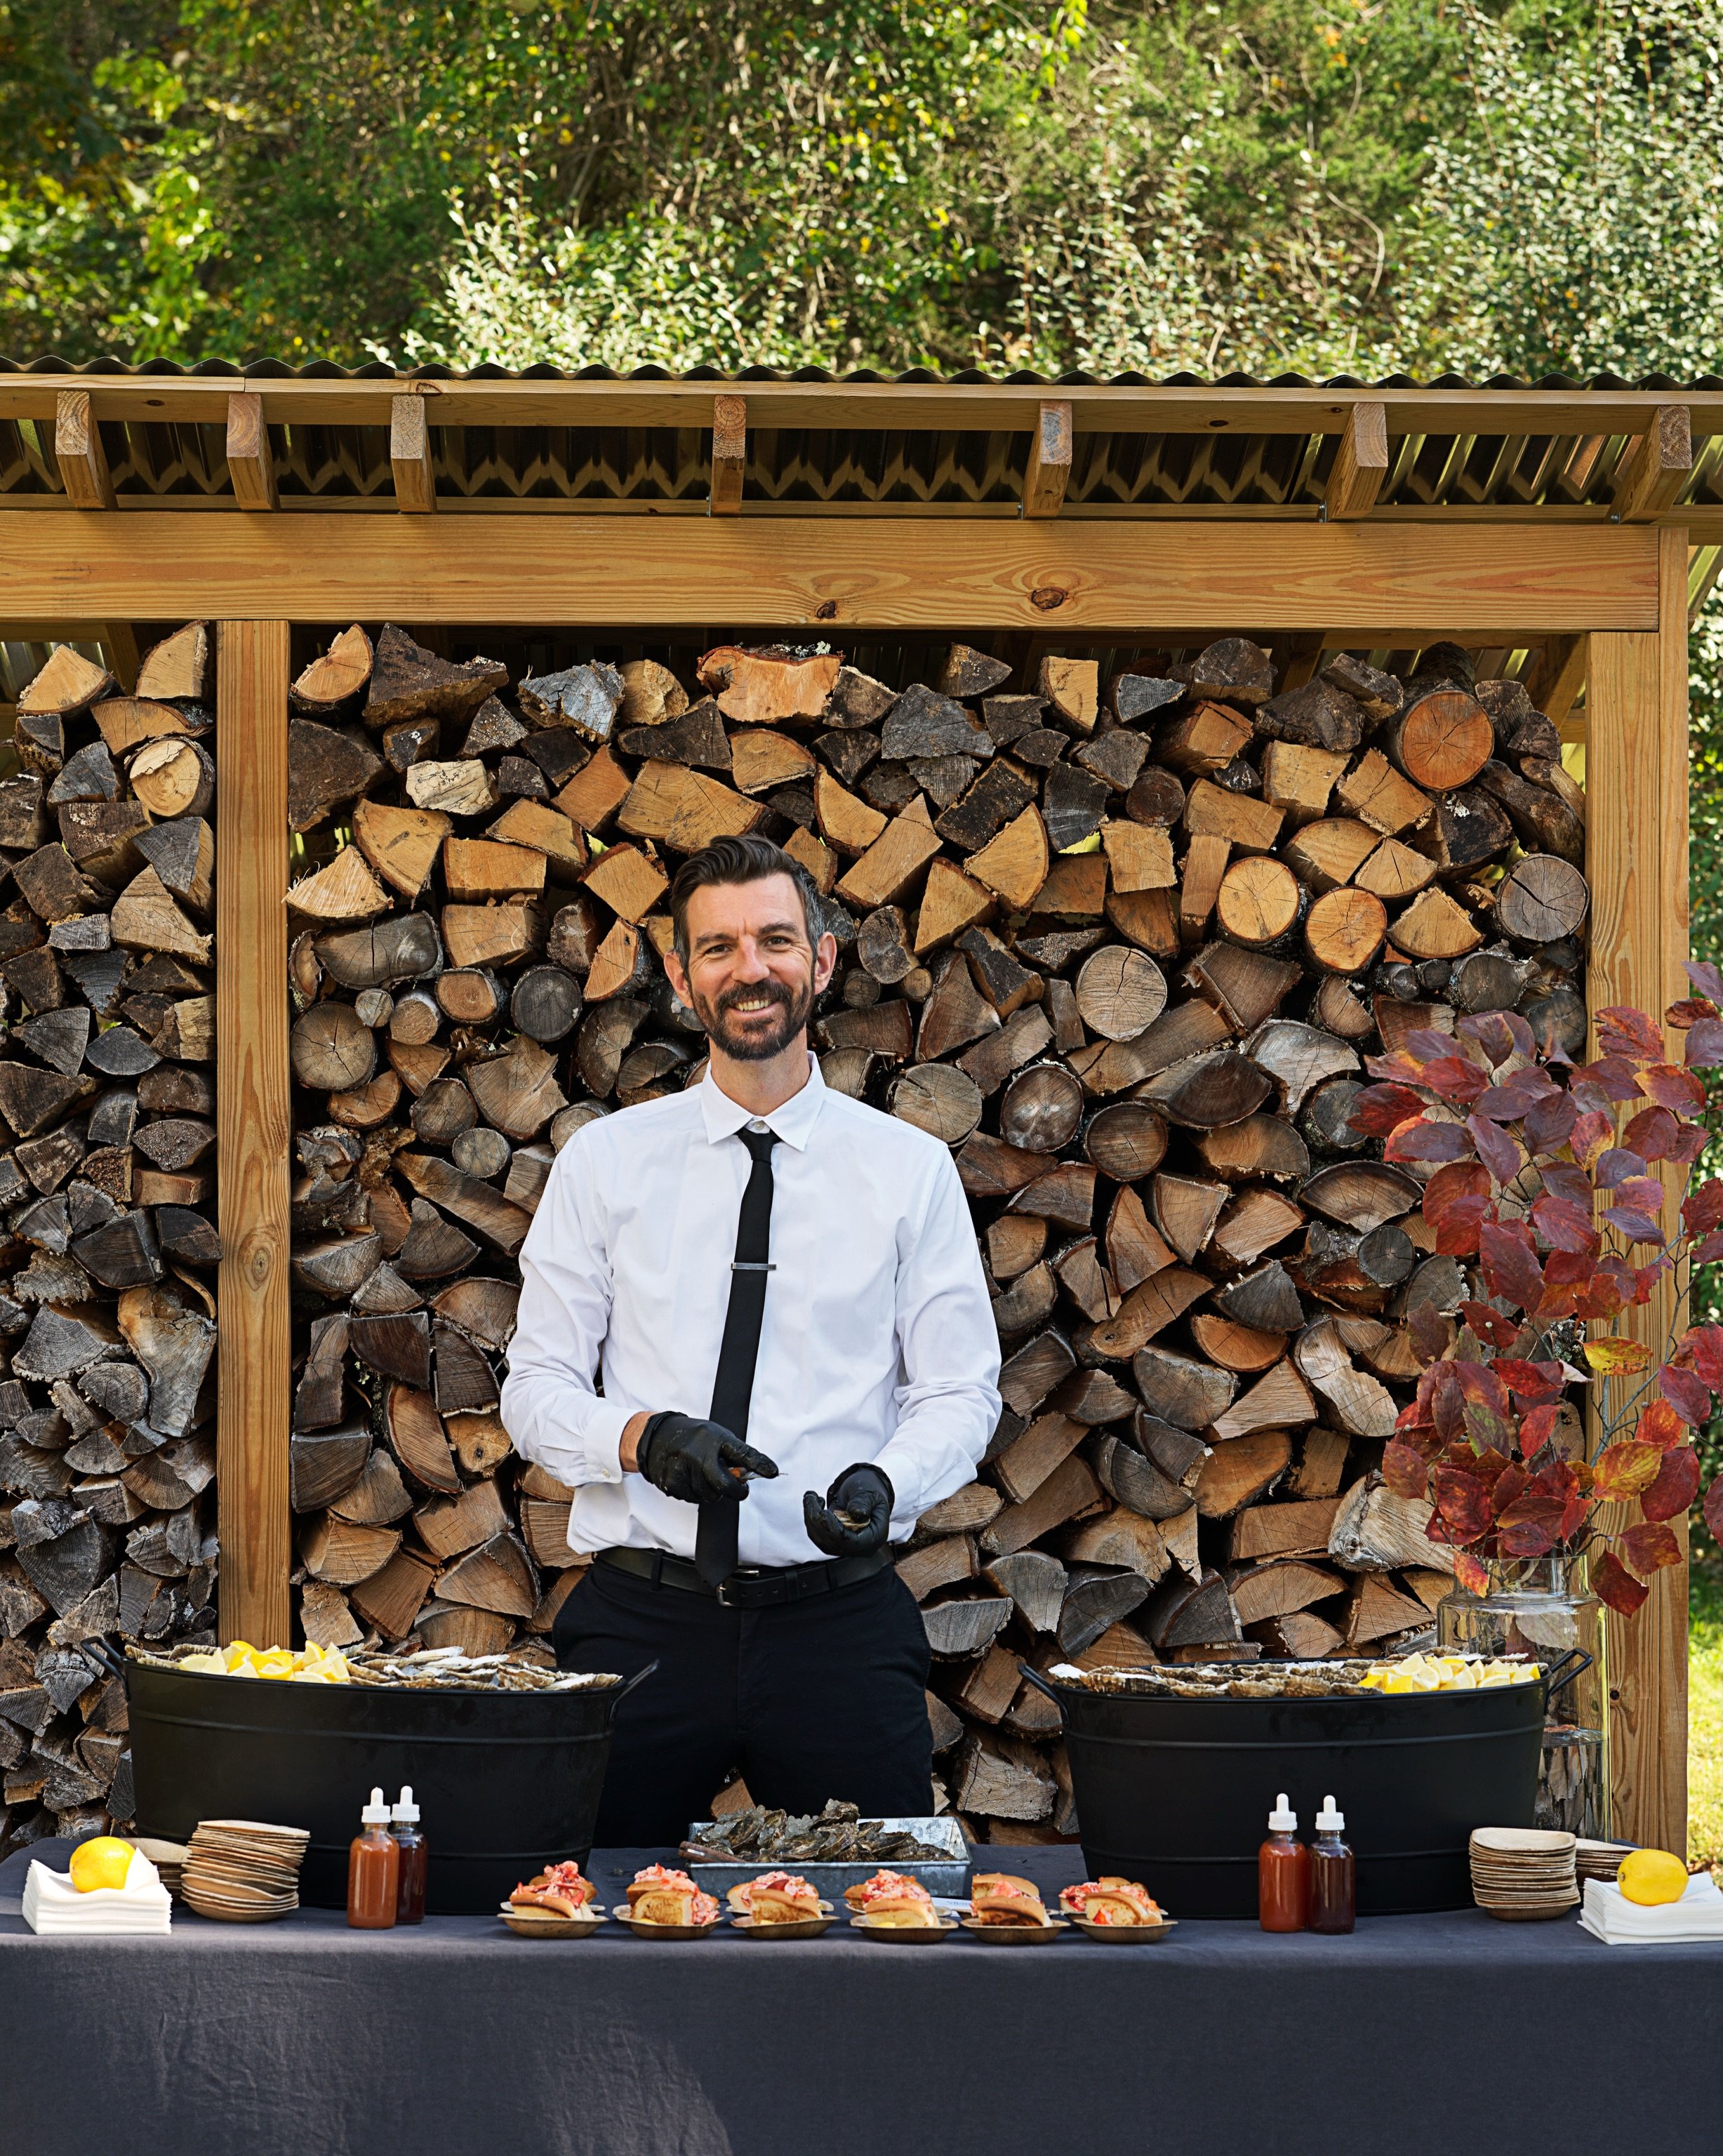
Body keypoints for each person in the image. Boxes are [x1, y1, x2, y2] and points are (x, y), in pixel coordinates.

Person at [500, 833, 1002, 1846]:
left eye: (775, 939)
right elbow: (534, 1387)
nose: (751, 968)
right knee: (585, 1912)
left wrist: (888, 1483)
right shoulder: (605, 1164)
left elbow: (960, 1393)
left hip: (837, 1626)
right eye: (719, 948)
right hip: (644, 1621)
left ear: (820, 962)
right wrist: (643, 1440)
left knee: (879, 1928)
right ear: (683, 979)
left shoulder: (907, 1171)